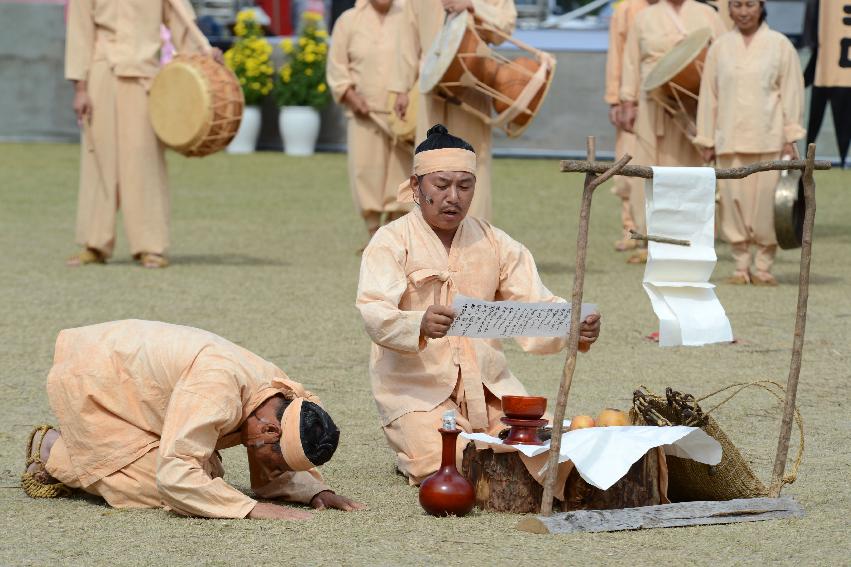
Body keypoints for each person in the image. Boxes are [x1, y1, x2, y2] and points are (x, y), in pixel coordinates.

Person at [356, 125, 602, 484]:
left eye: (464, 186)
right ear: (416, 187)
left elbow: (536, 304)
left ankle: (491, 445)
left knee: (547, 446)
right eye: (441, 185)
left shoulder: (495, 242)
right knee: (449, 459)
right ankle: (421, 450)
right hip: (416, 394)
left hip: (490, 391)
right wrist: (418, 324)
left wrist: (572, 323)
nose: (453, 197)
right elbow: (373, 311)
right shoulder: (391, 240)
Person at [21, 320, 365, 519]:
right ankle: (55, 449)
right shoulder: (217, 390)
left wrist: (314, 490)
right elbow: (173, 476)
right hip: (93, 383)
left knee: (203, 473)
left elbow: (274, 458)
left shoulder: (277, 397)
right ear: (270, 428)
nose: (276, 468)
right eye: (276, 458)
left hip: (131, 386)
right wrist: (252, 509)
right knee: (172, 483)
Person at [65, 0, 222, 269]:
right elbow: (80, 32)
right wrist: (80, 89)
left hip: (145, 77)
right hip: (101, 75)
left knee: (144, 161)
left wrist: (204, 54)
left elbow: (180, 22)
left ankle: (150, 246)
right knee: (99, 159)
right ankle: (95, 244)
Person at [694, 0, 805, 286]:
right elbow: (710, 96)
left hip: (769, 137)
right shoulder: (719, 47)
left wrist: (790, 137)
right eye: (737, 5)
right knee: (732, 204)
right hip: (728, 138)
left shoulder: (780, 45)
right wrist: (706, 137)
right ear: (729, 9)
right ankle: (741, 264)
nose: (744, 12)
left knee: (769, 207)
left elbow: (791, 92)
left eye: (750, 5)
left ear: (761, 7)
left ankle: (764, 265)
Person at [389, 0, 517, 222]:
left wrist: (472, 5)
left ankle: (475, 245)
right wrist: (402, 88)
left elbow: (505, 26)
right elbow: (407, 38)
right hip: (431, 90)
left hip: (472, 88)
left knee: (472, 164)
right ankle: (427, 245)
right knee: (428, 161)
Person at [619, 0, 726, 263]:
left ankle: (691, 237)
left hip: (693, 103)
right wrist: (627, 100)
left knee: (691, 167)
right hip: (652, 99)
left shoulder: (708, 14)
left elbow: (724, 54)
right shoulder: (644, 17)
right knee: (646, 167)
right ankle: (647, 240)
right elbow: (631, 61)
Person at [327, 0, 413, 244]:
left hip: (402, 114)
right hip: (364, 114)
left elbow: (419, 59)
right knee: (366, 171)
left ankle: (397, 239)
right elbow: (337, 66)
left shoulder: (409, 16)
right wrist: (351, 96)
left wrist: (410, 97)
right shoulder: (348, 20)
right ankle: (374, 236)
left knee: (402, 175)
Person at [604, 0, 656, 252]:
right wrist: (616, 100)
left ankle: (665, 234)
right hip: (631, 101)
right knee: (628, 167)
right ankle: (631, 229)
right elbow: (617, 55)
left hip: (670, 104)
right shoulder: (626, 9)